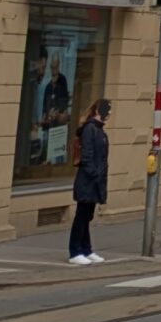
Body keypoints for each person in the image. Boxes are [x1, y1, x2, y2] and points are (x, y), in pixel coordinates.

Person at [68, 97, 109, 264]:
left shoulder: (99, 130)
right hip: (88, 180)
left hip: (94, 180)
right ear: (99, 111)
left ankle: (86, 249)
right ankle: (75, 251)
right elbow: (88, 156)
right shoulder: (90, 129)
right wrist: (94, 174)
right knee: (82, 215)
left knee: (87, 216)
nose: (110, 113)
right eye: (108, 109)